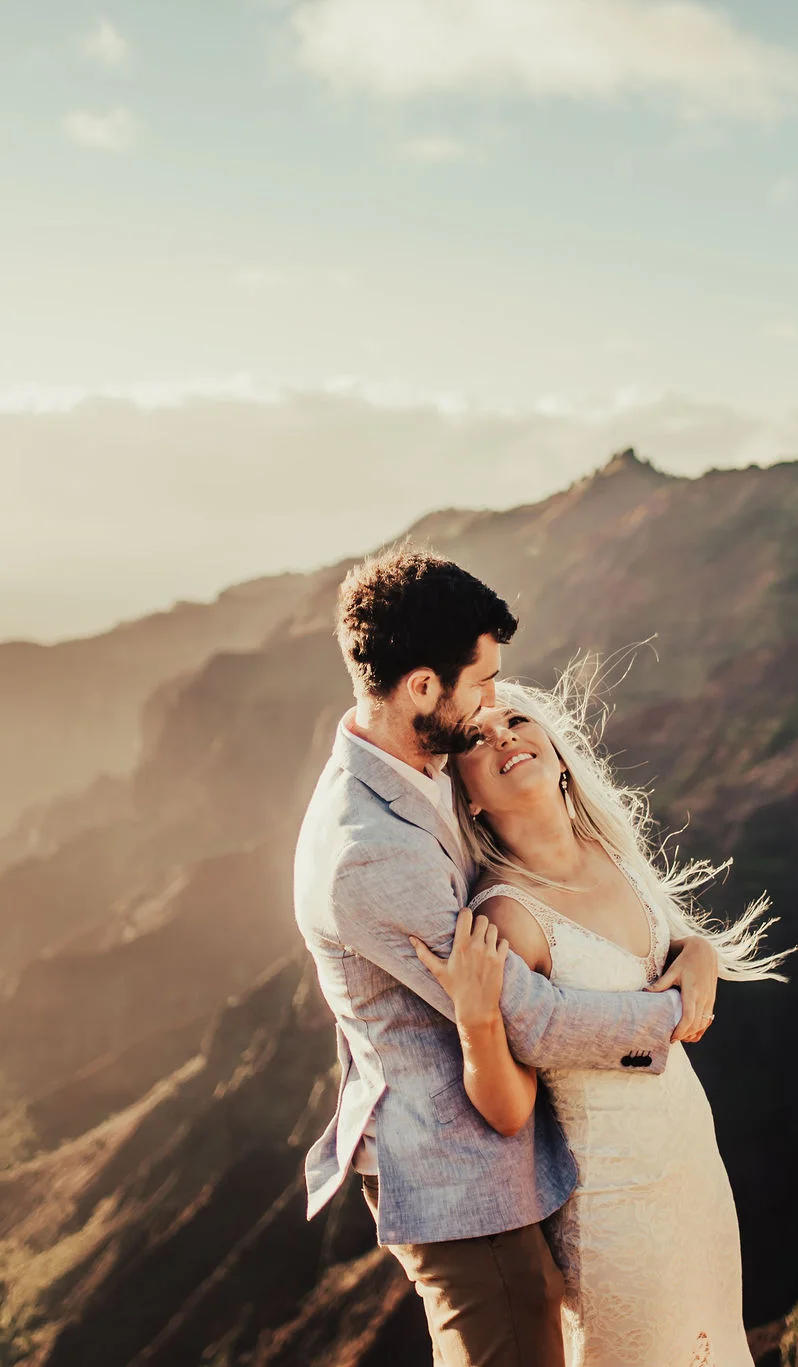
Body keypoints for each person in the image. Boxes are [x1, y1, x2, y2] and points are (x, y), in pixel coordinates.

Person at [294, 546, 721, 1367]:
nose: (496, 704)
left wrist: (693, 952)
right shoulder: (371, 850)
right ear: (422, 686)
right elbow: (529, 1016)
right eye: (481, 683)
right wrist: (675, 1011)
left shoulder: (410, 765)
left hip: (534, 1160)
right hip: (464, 1180)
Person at [412, 669, 789, 1367]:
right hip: (615, 1204)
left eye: (518, 723)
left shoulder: (610, 854)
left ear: (558, 755)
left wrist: (699, 950)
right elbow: (506, 1111)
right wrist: (476, 1019)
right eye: (478, 736)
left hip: (692, 1174)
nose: (504, 736)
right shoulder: (506, 917)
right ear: (469, 798)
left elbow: (661, 951)